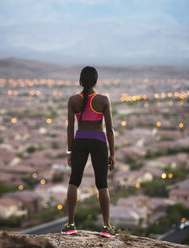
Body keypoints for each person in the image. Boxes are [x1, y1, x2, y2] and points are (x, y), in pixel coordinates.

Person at [61, 66, 116, 238]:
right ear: (95, 81)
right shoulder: (103, 100)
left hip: (80, 142)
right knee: (102, 184)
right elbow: (110, 130)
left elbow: (70, 129)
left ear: (81, 81)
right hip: (99, 142)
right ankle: (106, 227)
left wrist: (69, 151)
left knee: (74, 181)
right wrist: (112, 154)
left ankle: (70, 225)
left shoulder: (73, 100)